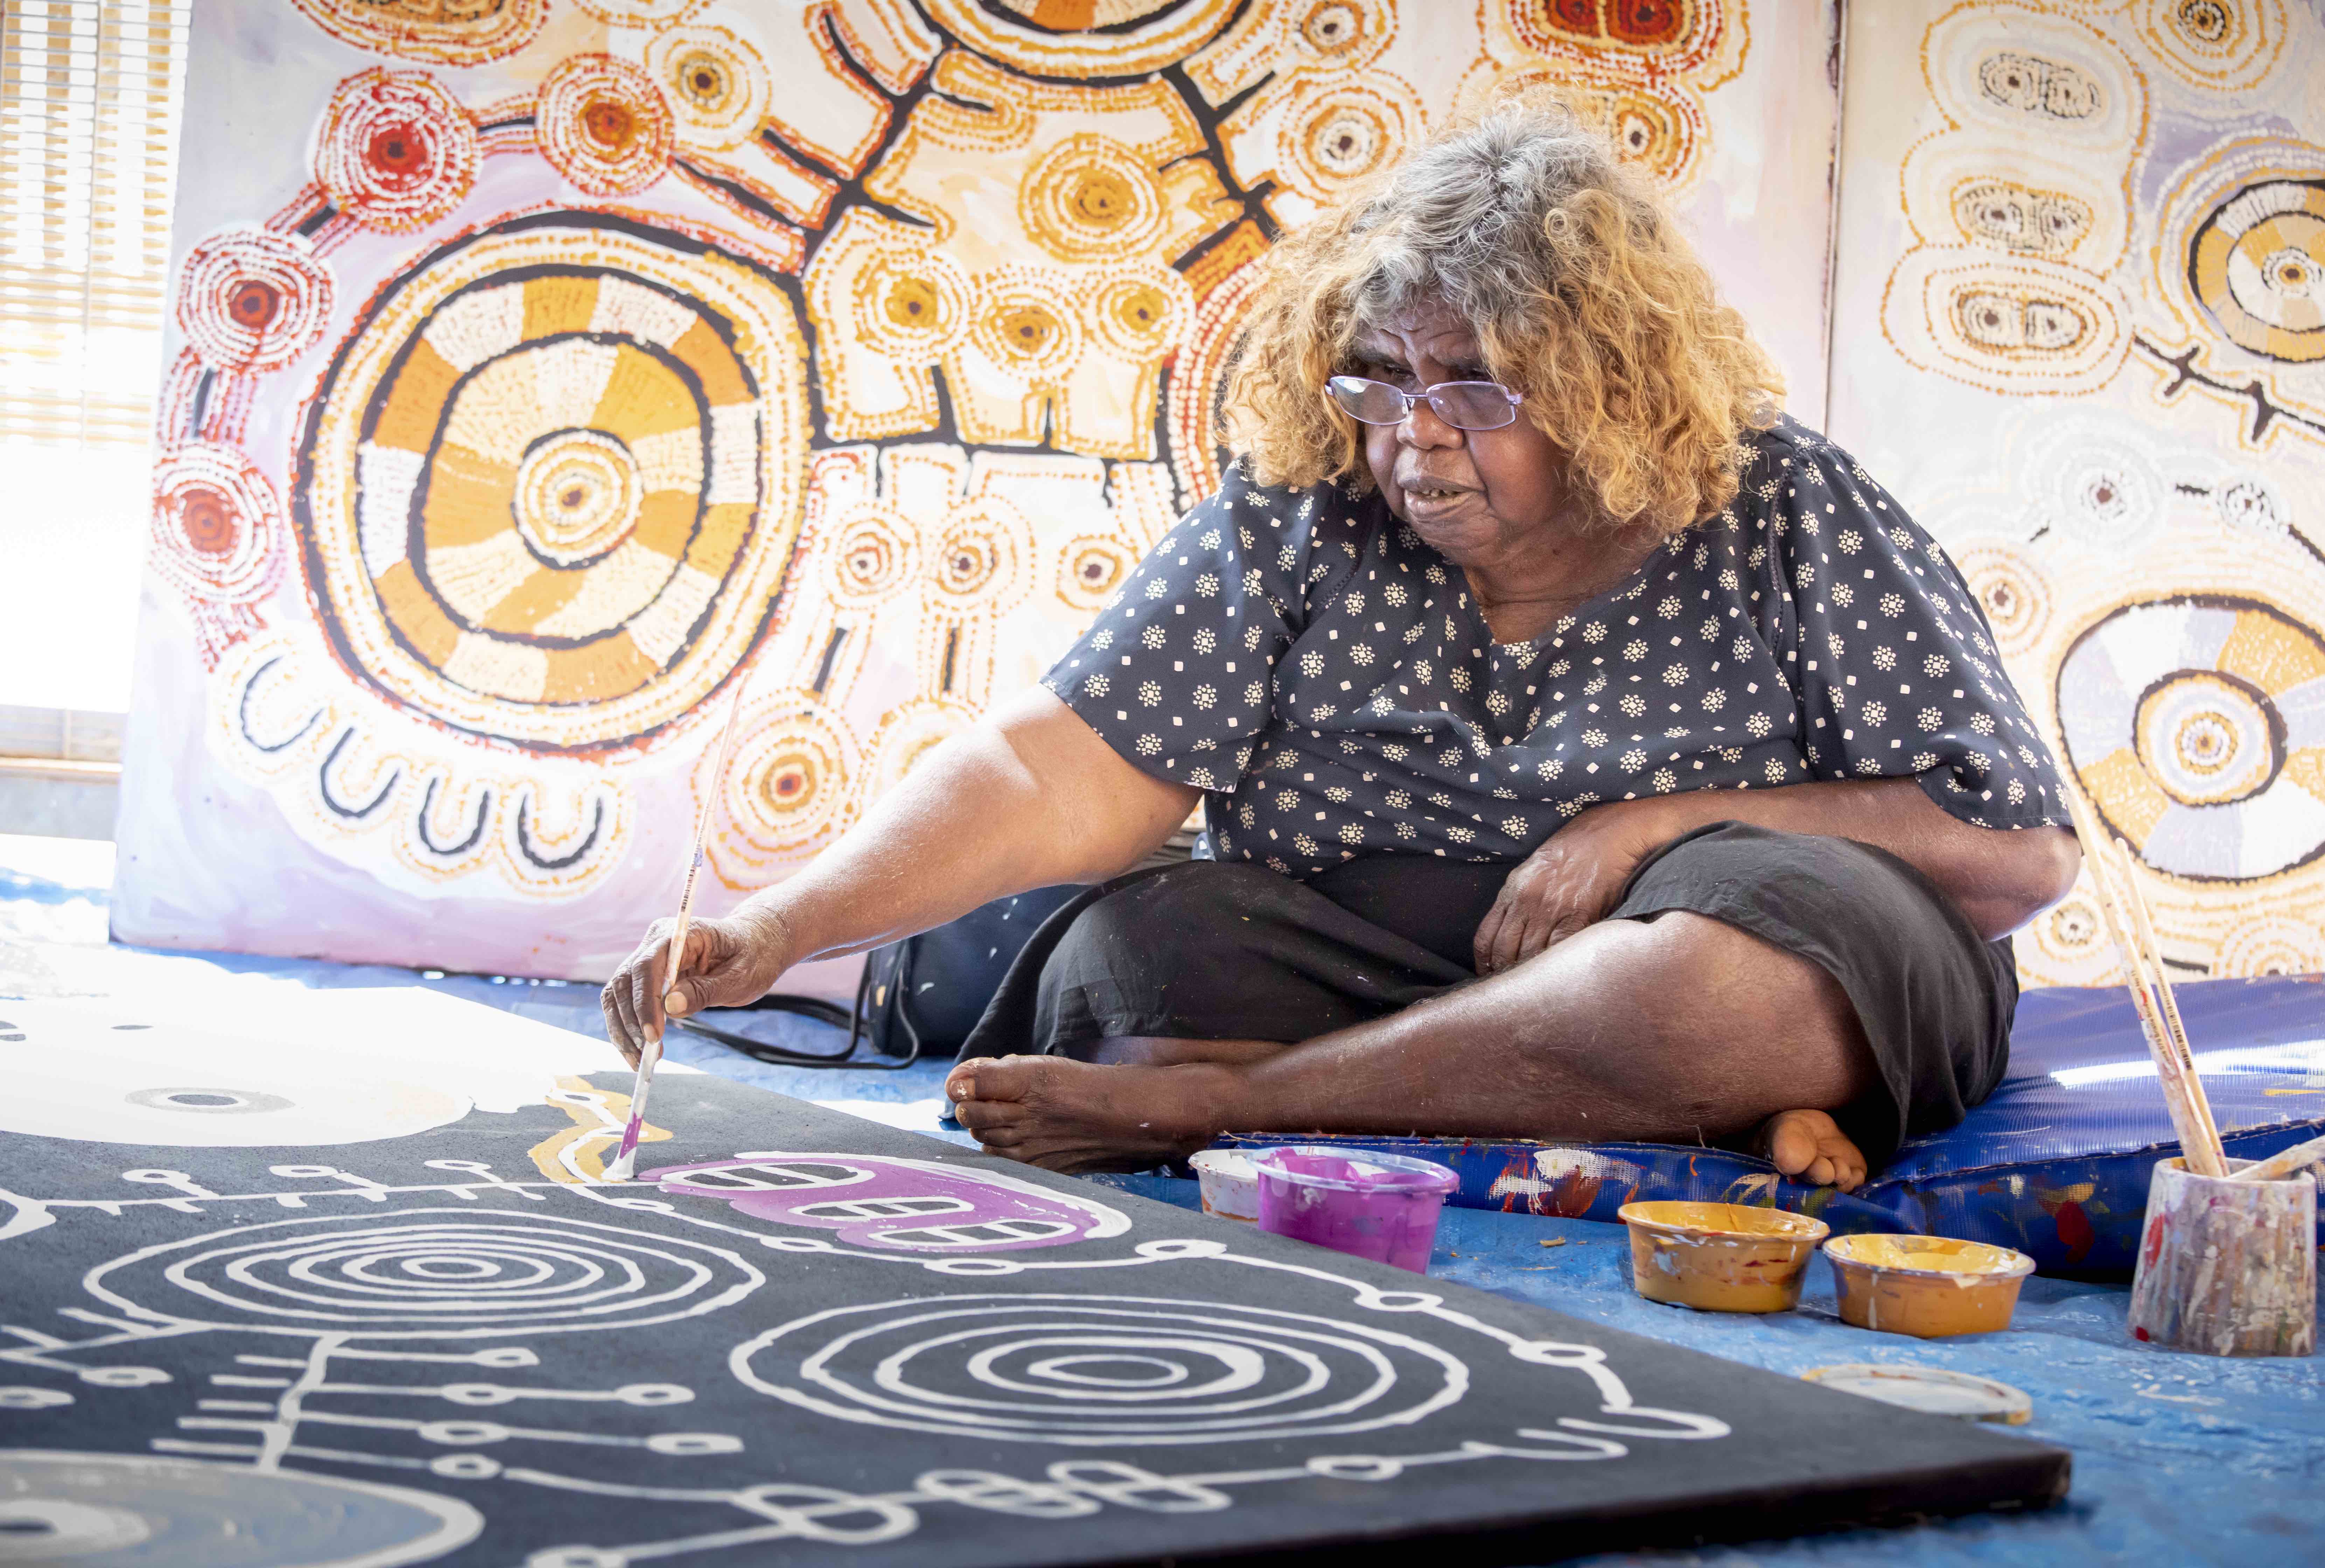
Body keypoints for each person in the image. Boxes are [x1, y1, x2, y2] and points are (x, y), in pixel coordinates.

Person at [603, 99, 2080, 1193]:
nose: (1410, 438)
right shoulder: (1307, 513)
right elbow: (1061, 769)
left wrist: (1660, 826)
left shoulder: (1781, 502)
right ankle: (1594, 1099)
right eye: (1376, 380)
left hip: (1717, 942)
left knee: (1729, 987)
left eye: (1475, 389)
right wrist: (780, 930)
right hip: (1393, 961)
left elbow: (2011, 850)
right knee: (1136, 962)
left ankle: (1231, 1109)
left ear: (1611, 386)